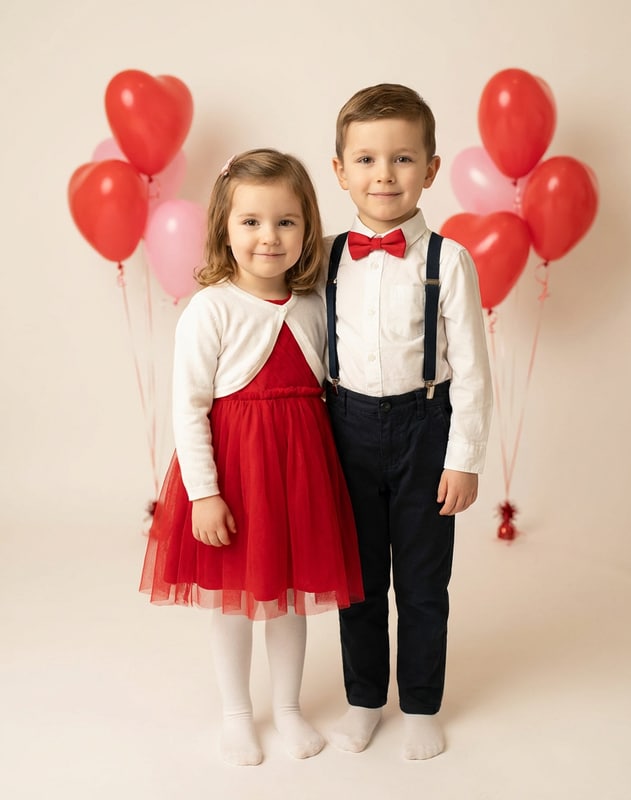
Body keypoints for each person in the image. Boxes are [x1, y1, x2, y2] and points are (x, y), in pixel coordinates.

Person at [140, 148, 364, 767]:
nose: (269, 237)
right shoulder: (210, 309)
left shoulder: (316, 303)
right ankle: (238, 713)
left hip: (300, 476)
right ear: (225, 228)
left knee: (291, 598)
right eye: (252, 222)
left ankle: (287, 707)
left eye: (286, 222)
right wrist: (206, 493)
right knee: (235, 603)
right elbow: (188, 408)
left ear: (307, 228)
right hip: (237, 476)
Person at [324, 84, 492, 760]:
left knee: (423, 583)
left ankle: (421, 702)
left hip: (427, 429)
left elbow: (474, 369)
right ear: (339, 171)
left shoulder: (449, 261)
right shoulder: (327, 255)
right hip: (345, 430)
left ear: (430, 167)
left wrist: (465, 457)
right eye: (365, 160)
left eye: (401, 159)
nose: (383, 175)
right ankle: (365, 697)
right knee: (358, 582)